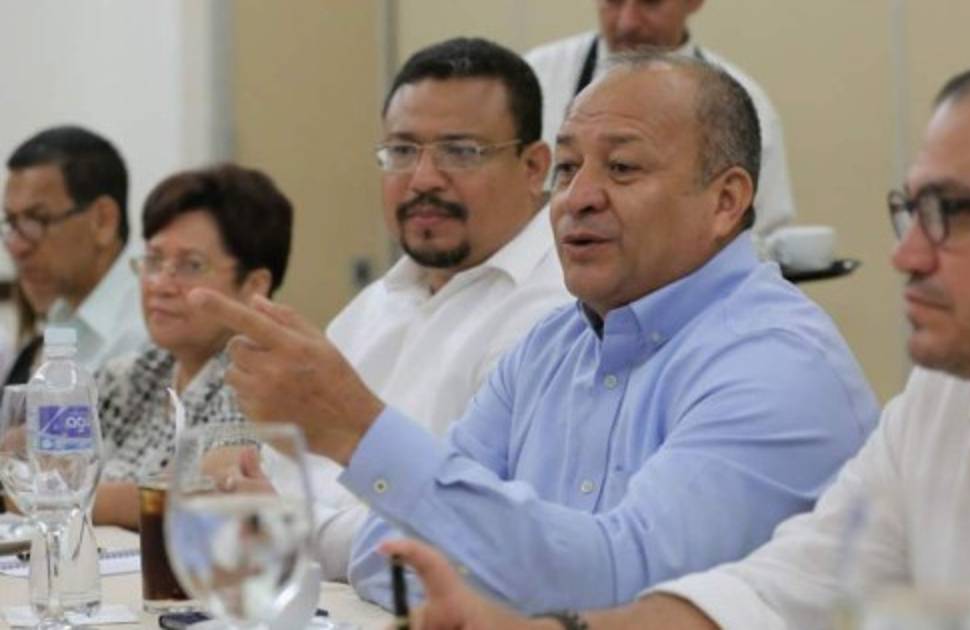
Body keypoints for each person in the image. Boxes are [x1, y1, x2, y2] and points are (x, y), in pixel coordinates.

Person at [382, 52, 970, 630]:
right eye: (909, 212)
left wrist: (351, 422)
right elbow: (779, 595)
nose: (907, 256)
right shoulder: (946, 397)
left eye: (950, 213)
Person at [191, 51, 877, 613]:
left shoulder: (776, 364)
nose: (578, 197)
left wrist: (356, 429)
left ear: (726, 201)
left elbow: (622, 590)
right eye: (570, 168)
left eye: (623, 167)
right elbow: (391, 558)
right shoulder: (553, 348)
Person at [298, 37, 571, 579]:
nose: (422, 179)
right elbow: (279, 479)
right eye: (402, 151)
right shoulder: (374, 305)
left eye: (460, 152)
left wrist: (294, 529)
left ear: (534, 166)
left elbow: (469, 535)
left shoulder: (559, 310)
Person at [91, 164, 293, 529]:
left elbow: (200, 496)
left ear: (254, 285)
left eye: (190, 266)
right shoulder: (134, 374)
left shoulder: (261, 379)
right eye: (154, 261)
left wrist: (65, 497)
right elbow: (42, 465)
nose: (160, 284)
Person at [525, 0, 798, 242]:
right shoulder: (539, 76)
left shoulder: (745, 105)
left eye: (651, 2)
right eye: (567, 166)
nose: (628, 22)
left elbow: (763, 238)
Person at [3, 125, 147, 372]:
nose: (16, 247)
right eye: (11, 222)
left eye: (38, 219)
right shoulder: (60, 318)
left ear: (103, 221)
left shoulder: (150, 331)